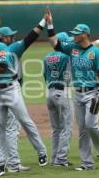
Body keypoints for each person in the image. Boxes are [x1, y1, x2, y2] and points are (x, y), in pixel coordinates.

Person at [0, 14, 48, 176]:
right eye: (10, 35)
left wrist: (43, 22)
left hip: (10, 89)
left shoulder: (3, 48)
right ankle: (1, 164)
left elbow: (1, 66)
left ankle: (41, 151)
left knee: (24, 120)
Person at [45, 8, 99, 171]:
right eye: (74, 33)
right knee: (82, 129)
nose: (74, 35)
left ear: (85, 34)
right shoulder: (72, 48)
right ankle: (87, 163)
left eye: (77, 33)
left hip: (93, 93)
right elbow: (55, 43)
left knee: (91, 125)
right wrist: (50, 24)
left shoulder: (96, 52)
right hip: (78, 93)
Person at [43, 32, 73, 167]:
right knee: (67, 127)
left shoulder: (47, 57)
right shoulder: (67, 56)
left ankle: (54, 158)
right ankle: (61, 159)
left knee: (56, 129)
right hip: (62, 92)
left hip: (49, 93)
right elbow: (68, 77)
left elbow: (45, 76)